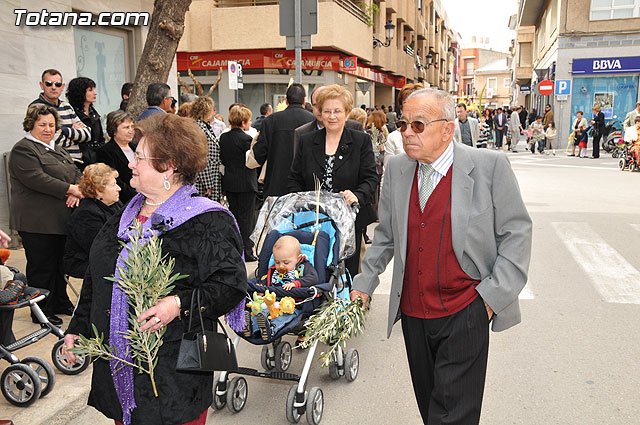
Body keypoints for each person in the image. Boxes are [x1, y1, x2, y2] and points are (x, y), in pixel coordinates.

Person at [350, 87, 532, 424]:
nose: (406, 133)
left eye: (417, 125)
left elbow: (516, 232)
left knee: (452, 416)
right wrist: (364, 284)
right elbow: (386, 236)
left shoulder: (489, 167)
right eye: (403, 124)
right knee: (430, 405)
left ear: (447, 128)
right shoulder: (399, 170)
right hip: (415, 315)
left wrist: (489, 300)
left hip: (466, 310)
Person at [63, 113, 247, 425]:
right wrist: (78, 330)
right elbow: (97, 279)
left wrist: (177, 304)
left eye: (139, 157)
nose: (131, 163)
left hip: (174, 372)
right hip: (120, 365)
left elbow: (231, 283)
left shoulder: (205, 220)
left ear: (169, 166)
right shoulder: (123, 216)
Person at [288, 84, 378, 276]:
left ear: (346, 113)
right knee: (315, 270)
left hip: (350, 222)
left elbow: (371, 179)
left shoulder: (360, 141)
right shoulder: (306, 141)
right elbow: (294, 178)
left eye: (337, 111)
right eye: (327, 111)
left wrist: (357, 195)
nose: (332, 116)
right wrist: (302, 201)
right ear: (319, 112)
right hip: (312, 220)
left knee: (349, 273)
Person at [9, 104, 83, 326]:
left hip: (60, 220)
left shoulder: (56, 149)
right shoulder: (23, 149)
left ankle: (60, 302)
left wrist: (78, 190)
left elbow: (76, 172)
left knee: (59, 266)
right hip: (37, 223)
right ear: (31, 124)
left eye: (51, 125)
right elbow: (37, 178)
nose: (48, 129)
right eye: (42, 124)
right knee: (42, 268)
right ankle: (41, 311)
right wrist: (70, 189)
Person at [245, 235, 318, 341]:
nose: (281, 266)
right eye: (277, 262)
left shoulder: (304, 267)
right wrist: (262, 287)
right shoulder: (274, 270)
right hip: (272, 303)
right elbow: (267, 280)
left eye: (286, 262)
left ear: (298, 259)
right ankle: (250, 326)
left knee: (282, 317)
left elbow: (313, 279)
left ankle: (271, 329)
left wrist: (296, 283)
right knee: (261, 313)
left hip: (292, 305)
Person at [253, 83, 314, 197]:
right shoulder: (313, 121)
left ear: (286, 100)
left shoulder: (270, 120)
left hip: (275, 185)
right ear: (304, 101)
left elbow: (259, 153)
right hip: (304, 187)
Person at [63, 164, 122, 279]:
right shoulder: (86, 214)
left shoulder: (114, 203)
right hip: (84, 261)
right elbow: (99, 248)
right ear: (99, 191)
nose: (119, 188)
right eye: (113, 185)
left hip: (108, 255)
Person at [219, 105, 258, 262]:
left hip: (230, 181)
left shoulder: (224, 138)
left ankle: (236, 248)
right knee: (247, 219)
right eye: (248, 121)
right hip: (246, 182)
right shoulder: (246, 140)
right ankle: (247, 250)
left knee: (234, 215)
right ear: (243, 122)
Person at [30, 69, 91, 166]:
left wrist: (64, 130)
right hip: (54, 163)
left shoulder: (66, 106)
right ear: (42, 85)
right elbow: (51, 140)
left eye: (57, 84)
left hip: (76, 162)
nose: (53, 87)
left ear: (62, 87)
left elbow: (87, 134)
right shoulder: (36, 107)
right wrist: (75, 139)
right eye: (49, 84)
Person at [293, 85, 363, 158]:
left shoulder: (355, 128)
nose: (319, 110)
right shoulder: (302, 133)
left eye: (336, 111)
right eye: (315, 105)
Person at [97, 111, 138, 204]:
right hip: (124, 200)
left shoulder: (136, 147)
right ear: (114, 130)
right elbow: (115, 180)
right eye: (126, 127)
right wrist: (136, 195)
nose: (131, 130)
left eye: (132, 127)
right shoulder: (105, 152)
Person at [66, 77, 106, 166]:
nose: (95, 93)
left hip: (98, 160)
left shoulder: (94, 113)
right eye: (90, 90)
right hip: (80, 162)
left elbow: (100, 138)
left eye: (94, 89)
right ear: (80, 92)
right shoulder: (71, 114)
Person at [190, 96, 223, 202]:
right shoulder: (200, 129)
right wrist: (208, 184)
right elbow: (202, 158)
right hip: (204, 183)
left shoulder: (203, 127)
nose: (213, 113)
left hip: (207, 179)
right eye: (211, 110)